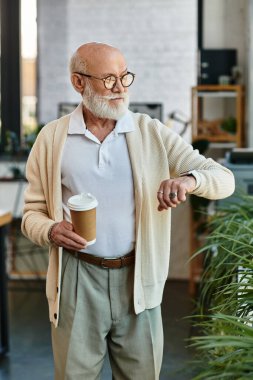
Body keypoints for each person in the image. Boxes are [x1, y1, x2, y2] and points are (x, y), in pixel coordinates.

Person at [22, 42, 235, 380]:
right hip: (77, 279)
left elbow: (224, 179)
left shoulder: (150, 132)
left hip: (139, 279)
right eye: (108, 79)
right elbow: (31, 213)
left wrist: (188, 181)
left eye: (125, 77)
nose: (120, 88)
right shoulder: (52, 138)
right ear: (79, 83)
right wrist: (50, 231)